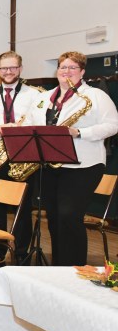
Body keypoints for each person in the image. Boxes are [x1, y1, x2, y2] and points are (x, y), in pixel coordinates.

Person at [28, 52, 118, 266]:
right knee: (54, 218)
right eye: (62, 67)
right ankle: (59, 267)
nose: (66, 72)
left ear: (82, 72)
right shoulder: (44, 97)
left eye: (72, 68)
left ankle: (75, 268)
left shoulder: (95, 96)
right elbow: (31, 124)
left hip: (84, 165)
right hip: (51, 164)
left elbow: (113, 125)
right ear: (57, 70)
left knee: (69, 216)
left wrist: (79, 132)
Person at [0, 51, 43, 265]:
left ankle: (21, 254)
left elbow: (40, 122)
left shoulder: (35, 95)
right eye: (4, 68)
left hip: (23, 154)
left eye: (12, 67)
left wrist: (17, 129)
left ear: (20, 68)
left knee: (23, 207)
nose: (8, 71)